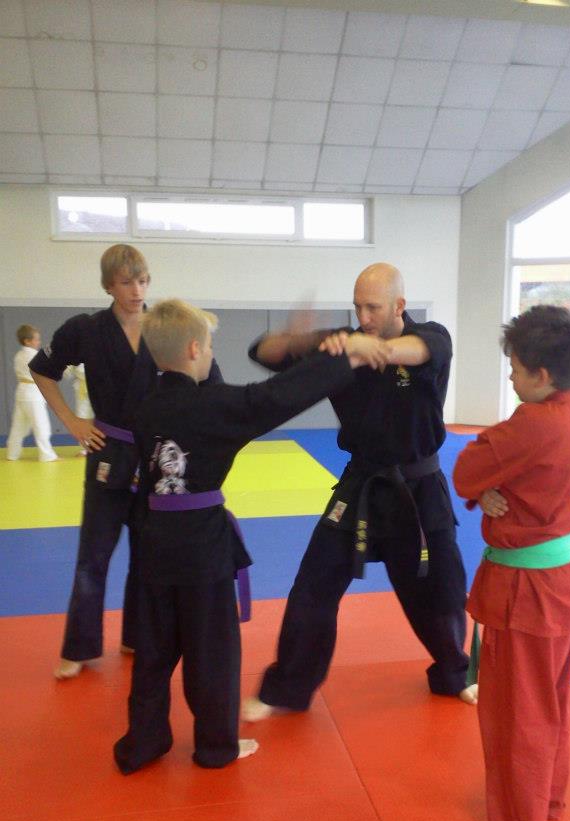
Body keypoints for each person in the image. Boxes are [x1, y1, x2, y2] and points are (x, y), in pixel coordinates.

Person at [113, 298, 381, 773]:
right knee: (211, 650)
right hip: (201, 549)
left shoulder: (145, 406)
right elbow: (278, 396)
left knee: (154, 651)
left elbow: (195, 402)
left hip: (151, 543)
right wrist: (344, 356)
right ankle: (216, 746)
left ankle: (144, 740)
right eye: (211, 346)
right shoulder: (216, 407)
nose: (213, 354)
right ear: (196, 348)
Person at [242, 262, 475, 723]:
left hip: (420, 486)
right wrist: (300, 339)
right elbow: (263, 353)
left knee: (441, 591)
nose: (364, 316)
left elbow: (410, 350)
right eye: (357, 307)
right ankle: (287, 688)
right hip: (361, 484)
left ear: (399, 306)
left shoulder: (431, 337)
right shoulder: (343, 344)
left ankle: (455, 672)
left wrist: (362, 345)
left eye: (373, 307)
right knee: (313, 586)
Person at [452, 305, 570, 821]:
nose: (511, 377)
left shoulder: (533, 423)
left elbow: (467, 470)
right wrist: (499, 488)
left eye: (515, 368)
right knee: (549, 705)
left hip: (529, 591)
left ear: (541, 375)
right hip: (567, 578)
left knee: (517, 717)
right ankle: (547, 805)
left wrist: (490, 484)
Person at [30, 244, 222, 681]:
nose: (136, 290)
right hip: (107, 450)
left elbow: (210, 382)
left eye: (142, 280)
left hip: (157, 456)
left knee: (149, 554)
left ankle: (137, 636)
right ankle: (79, 645)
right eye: (125, 282)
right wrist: (72, 421)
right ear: (108, 285)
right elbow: (44, 370)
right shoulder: (86, 329)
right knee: (93, 554)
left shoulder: (168, 328)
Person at [6, 325, 58, 462]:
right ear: (27, 341)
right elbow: (47, 369)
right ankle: (47, 455)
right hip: (33, 395)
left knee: (18, 427)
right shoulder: (33, 355)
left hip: (22, 393)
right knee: (41, 425)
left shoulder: (19, 355)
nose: (38, 342)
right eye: (36, 340)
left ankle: (12, 454)